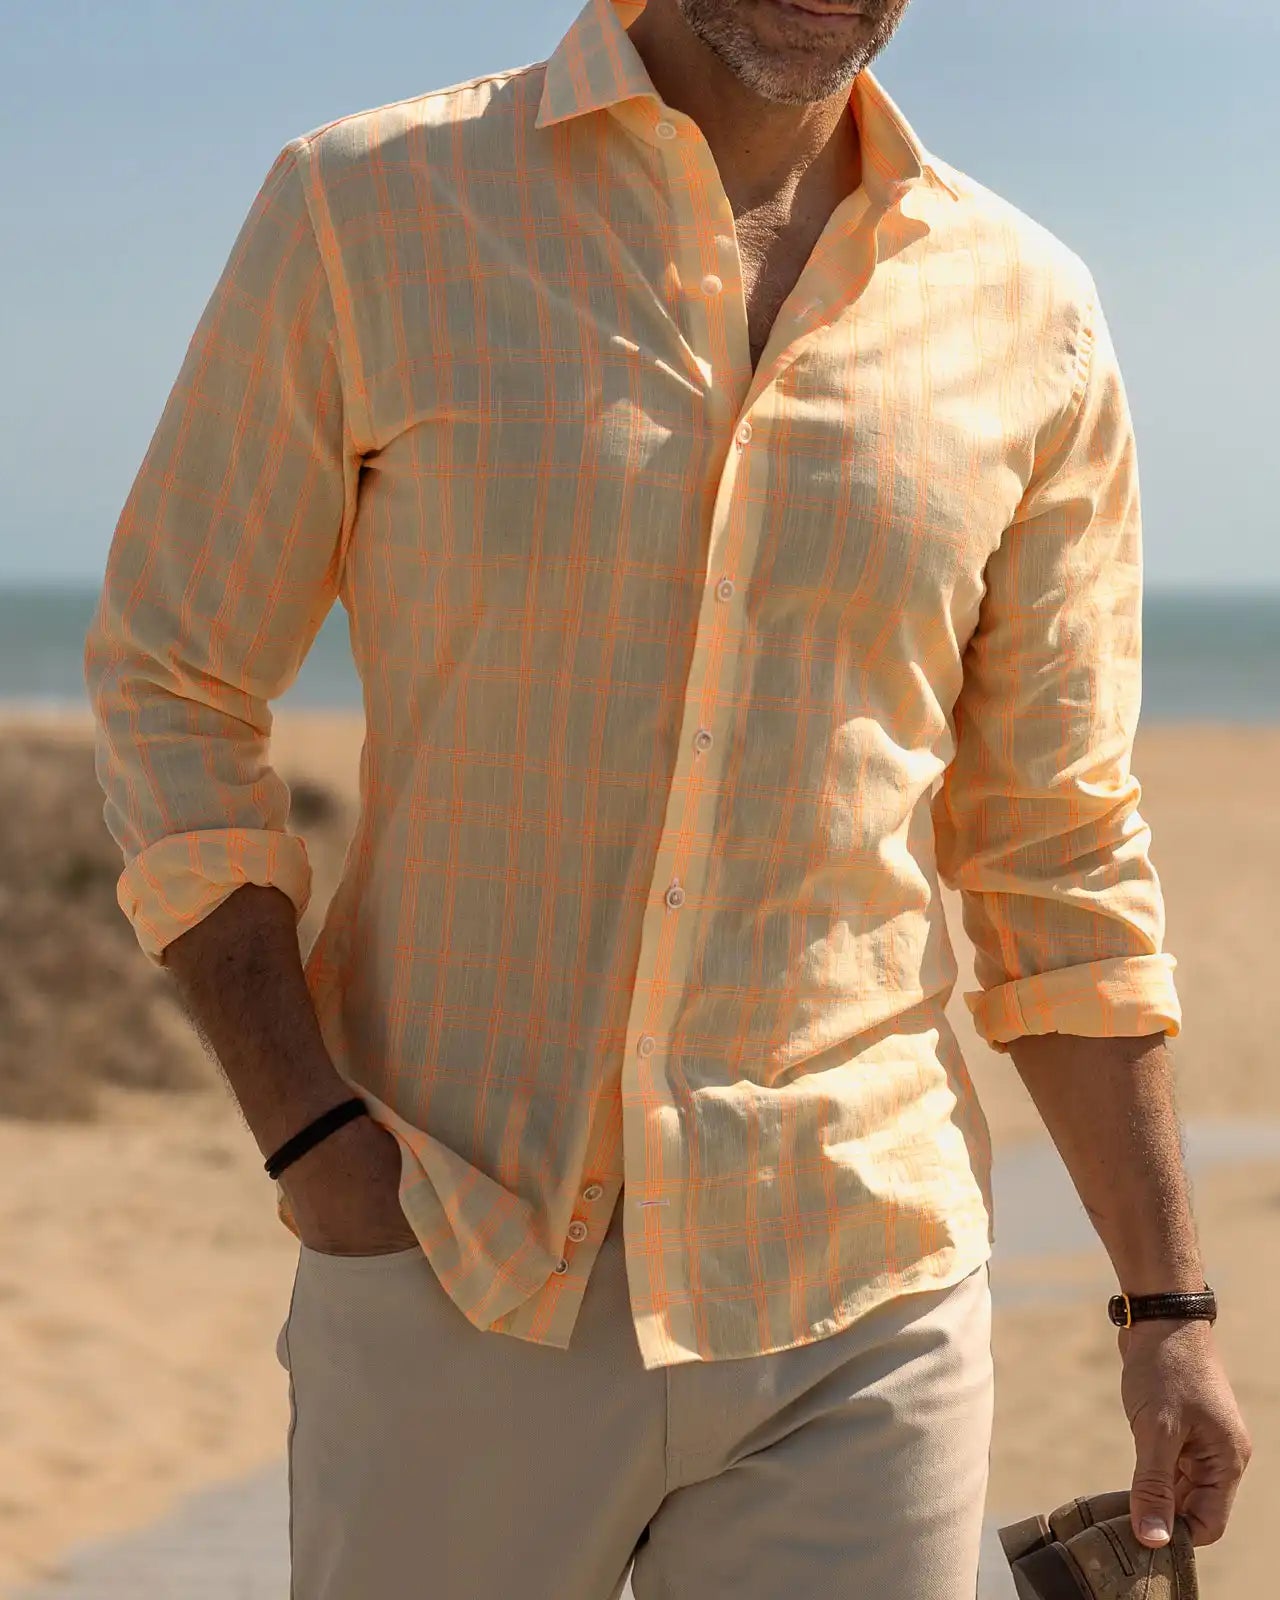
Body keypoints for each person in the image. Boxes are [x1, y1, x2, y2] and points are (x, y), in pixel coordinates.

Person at [83, 1, 1252, 1596]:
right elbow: (172, 674)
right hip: (457, 1249)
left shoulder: (1029, 310)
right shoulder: (370, 206)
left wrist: (1166, 1311)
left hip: (864, 1285)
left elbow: (1056, 846)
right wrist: (311, 1133)